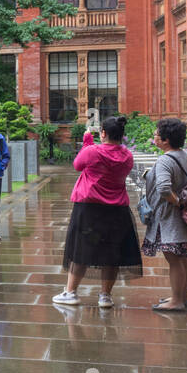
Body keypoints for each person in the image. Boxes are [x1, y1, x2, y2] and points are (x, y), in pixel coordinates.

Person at [54, 114, 142, 307]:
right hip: (117, 210)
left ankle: (71, 293)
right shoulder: (127, 156)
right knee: (112, 253)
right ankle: (105, 296)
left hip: (89, 208)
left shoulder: (92, 151)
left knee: (80, 250)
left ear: (103, 133)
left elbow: (78, 165)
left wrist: (87, 142)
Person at [141, 117, 187, 312]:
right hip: (184, 217)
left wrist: (178, 202)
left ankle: (176, 300)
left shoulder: (165, 160)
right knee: (182, 258)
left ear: (166, 140)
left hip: (170, 217)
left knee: (174, 259)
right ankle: (181, 297)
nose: (154, 137)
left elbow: (164, 188)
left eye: (157, 134)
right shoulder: (185, 155)